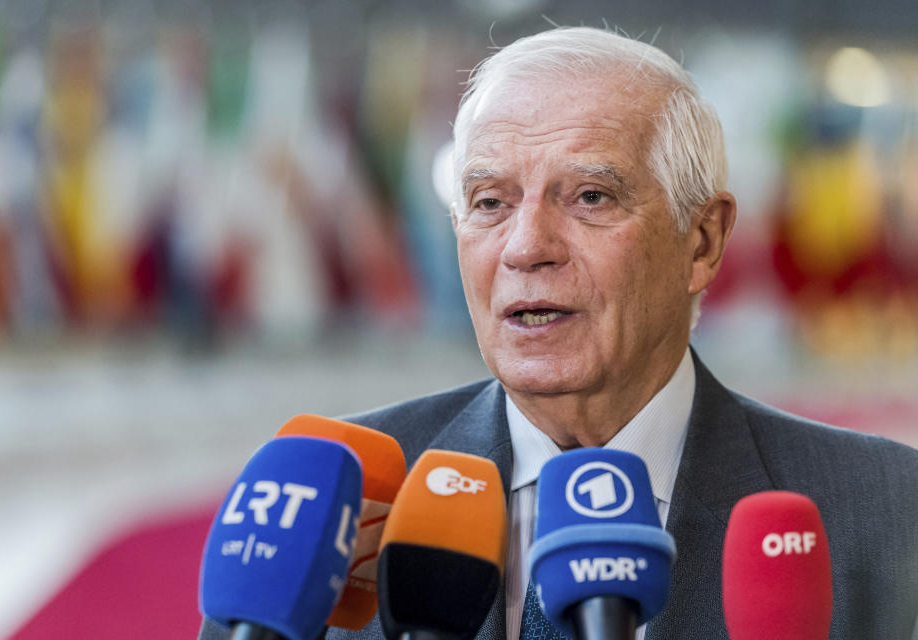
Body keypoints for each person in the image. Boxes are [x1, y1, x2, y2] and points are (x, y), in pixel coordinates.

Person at [199, 27, 918, 640]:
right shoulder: (321, 508)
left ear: (702, 242)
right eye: (489, 202)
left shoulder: (889, 509)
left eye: (590, 197)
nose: (524, 247)